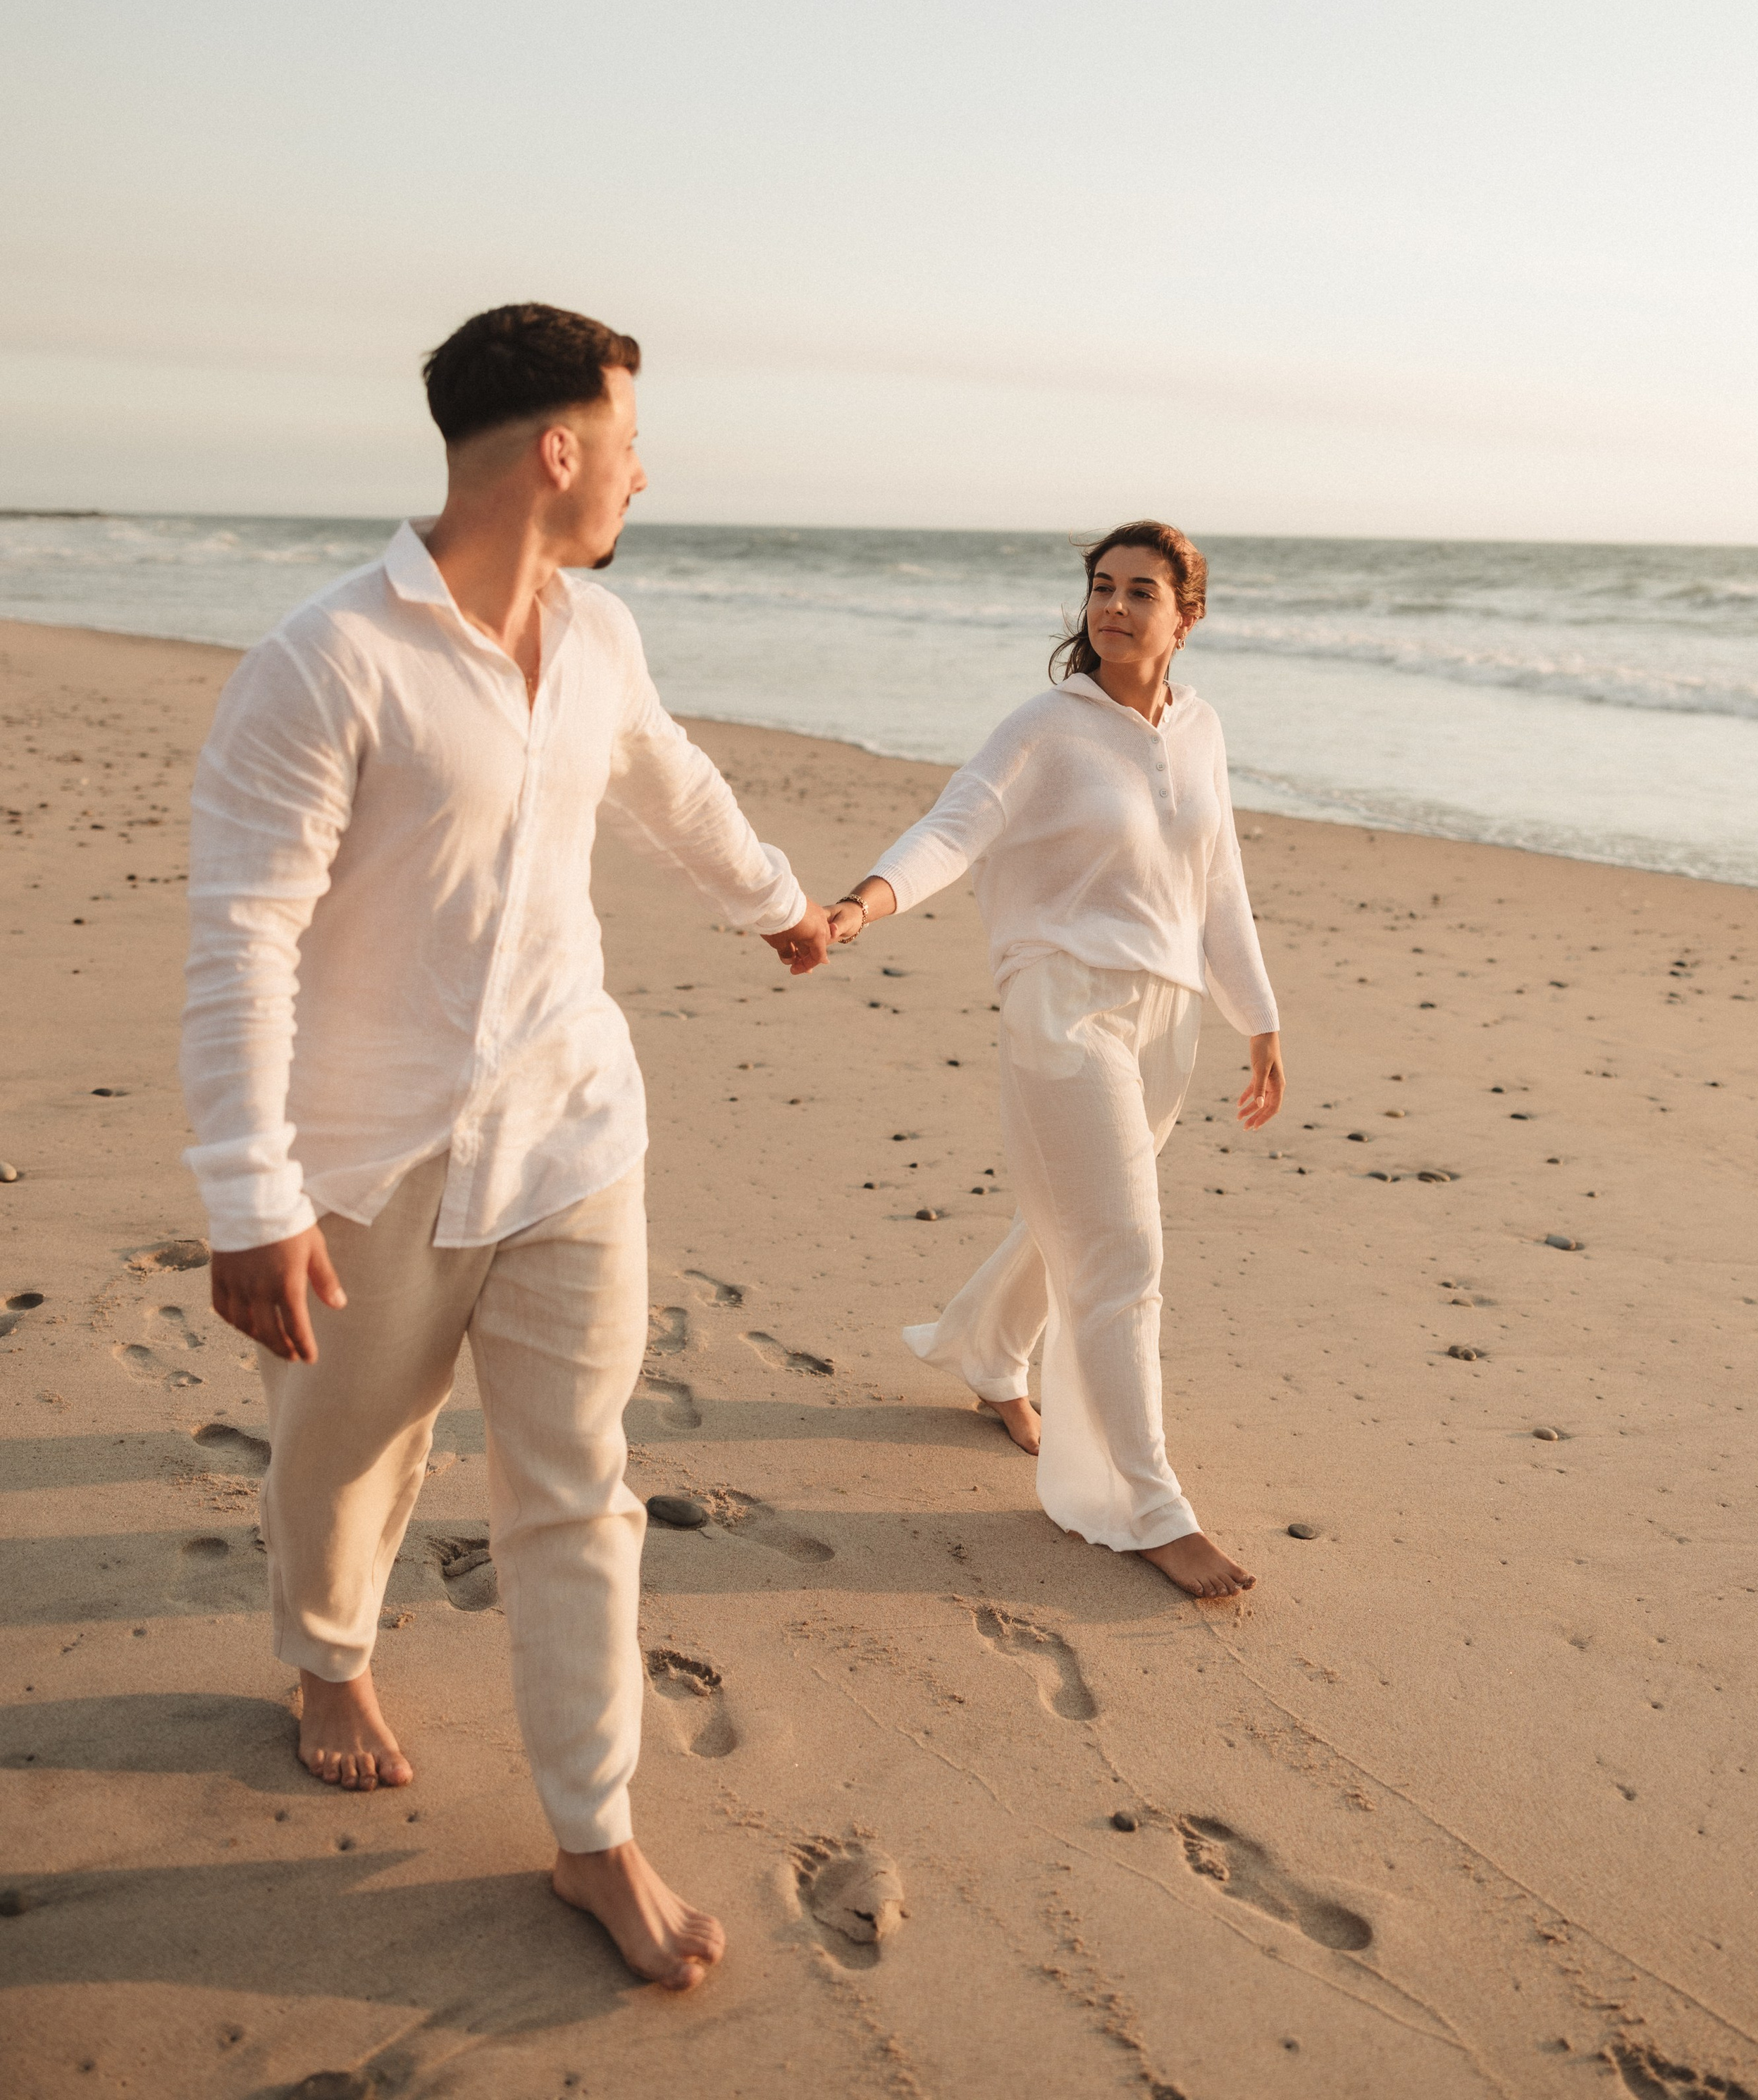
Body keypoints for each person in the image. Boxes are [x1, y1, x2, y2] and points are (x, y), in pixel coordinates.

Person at [182, 303, 832, 1990]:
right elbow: (243, 934)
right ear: (558, 451)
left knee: (578, 1492)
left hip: (571, 1131)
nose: (641, 468)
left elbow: (664, 779)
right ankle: (328, 1654)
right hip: (371, 1158)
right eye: (627, 436)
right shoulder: (326, 662)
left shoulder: (600, 632)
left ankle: (594, 1830)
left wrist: (776, 903)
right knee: (342, 1460)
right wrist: (253, 1200)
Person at [826, 521, 1282, 1605]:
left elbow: (1218, 885)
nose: (1114, 608)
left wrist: (1258, 1016)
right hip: (1059, 1008)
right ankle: (1145, 1506)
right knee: (1122, 1251)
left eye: (1140, 593)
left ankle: (986, 1353)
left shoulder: (1203, 730)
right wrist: (860, 904)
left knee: (1071, 1218)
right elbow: (955, 827)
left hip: (1166, 1018)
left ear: (1188, 617)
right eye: (1101, 589)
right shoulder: (1044, 727)